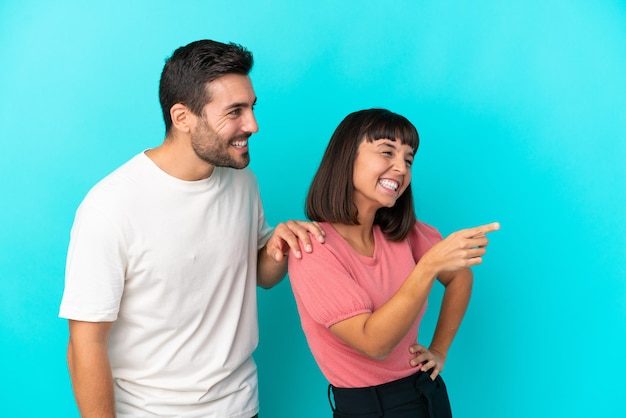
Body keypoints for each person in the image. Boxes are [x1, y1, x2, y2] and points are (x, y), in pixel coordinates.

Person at [59, 39, 324, 418]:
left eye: (251, 107)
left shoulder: (242, 180)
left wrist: (276, 247)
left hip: (241, 406)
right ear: (182, 117)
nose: (252, 125)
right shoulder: (110, 206)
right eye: (235, 111)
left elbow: (260, 276)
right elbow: (84, 345)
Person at [288, 108, 500, 417]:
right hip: (370, 408)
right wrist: (428, 266)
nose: (400, 168)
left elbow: (460, 277)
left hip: (427, 392)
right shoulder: (313, 249)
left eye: (408, 159)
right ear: (346, 157)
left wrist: (439, 350)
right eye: (387, 152)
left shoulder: (406, 233)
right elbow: (374, 343)